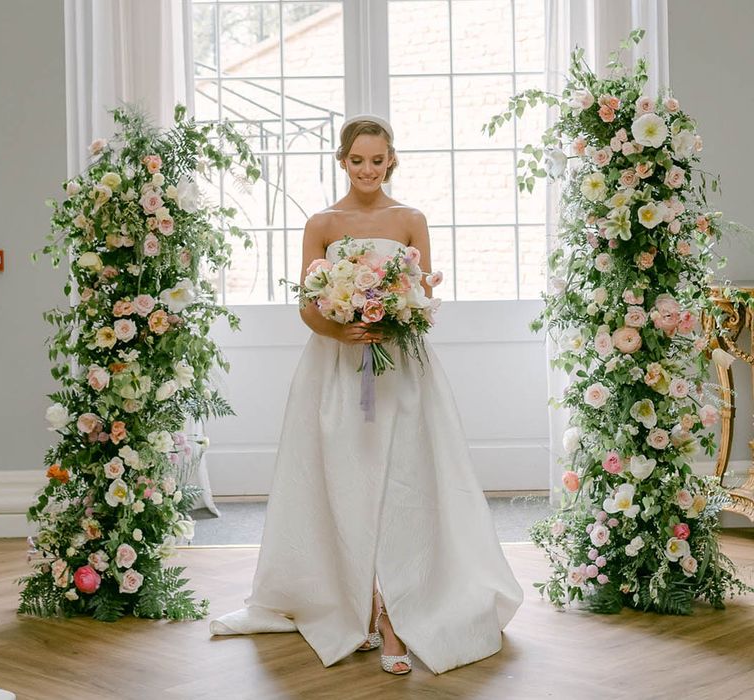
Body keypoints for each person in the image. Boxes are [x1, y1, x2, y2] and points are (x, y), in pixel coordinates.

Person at [210, 115, 523, 676]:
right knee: (347, 481)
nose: (368, 171)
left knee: (403, 483)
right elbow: (308, 305)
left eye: (378, 161)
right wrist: (342, 328)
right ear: (342, 160)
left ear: (392, 160)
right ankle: (360, 601)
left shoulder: (411, 220)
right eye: (358, 160)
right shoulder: (323, 223)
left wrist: (405, 309)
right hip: (336, 368)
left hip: (400, 369)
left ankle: (400, 613)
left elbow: (423, 302)